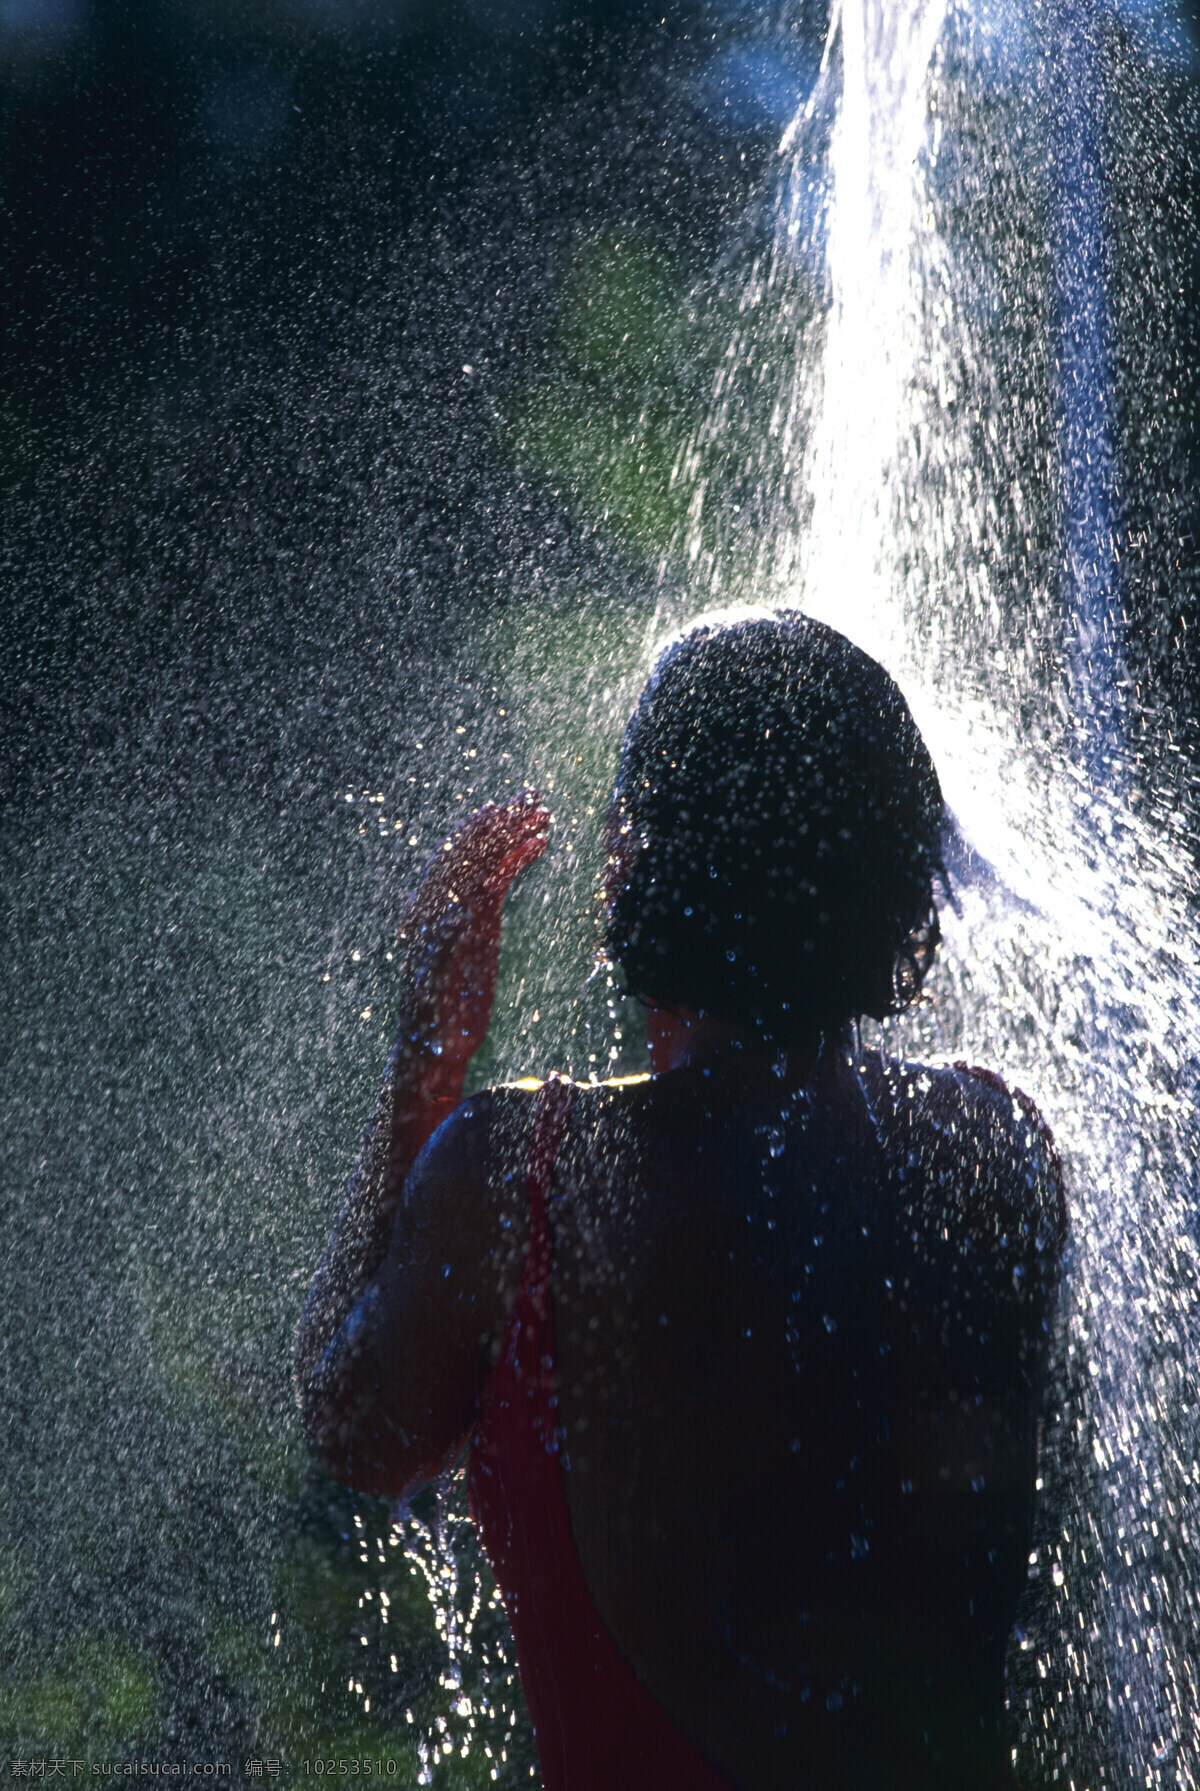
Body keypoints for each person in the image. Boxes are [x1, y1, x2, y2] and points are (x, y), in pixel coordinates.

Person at [294, 612, 1066, 1791]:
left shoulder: (523, 1178)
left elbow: (356, 1430)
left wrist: (424, 1070)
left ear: (640, 857)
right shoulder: (994, 1153)